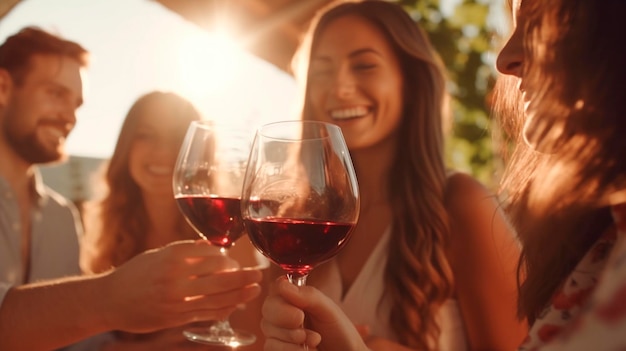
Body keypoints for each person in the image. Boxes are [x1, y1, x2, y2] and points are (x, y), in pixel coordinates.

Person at [262, 0, 626, 349]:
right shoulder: (296, 221)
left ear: (412, 81)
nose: (339, 87)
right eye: (322, 69)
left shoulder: (460, 203)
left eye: (364, 66)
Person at [0, 27, 262, 351]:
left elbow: (78, 342)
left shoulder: (62, 219)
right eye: (55, 93)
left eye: (77, 103)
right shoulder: (103, 233)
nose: (69, 116)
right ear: (3, 87)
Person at [80, 90, 265, 349]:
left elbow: (251, 340)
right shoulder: (101, 230)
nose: (162, 150)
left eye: (176, 137)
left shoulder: (231, 237)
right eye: (146, 135)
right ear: (126, 146)